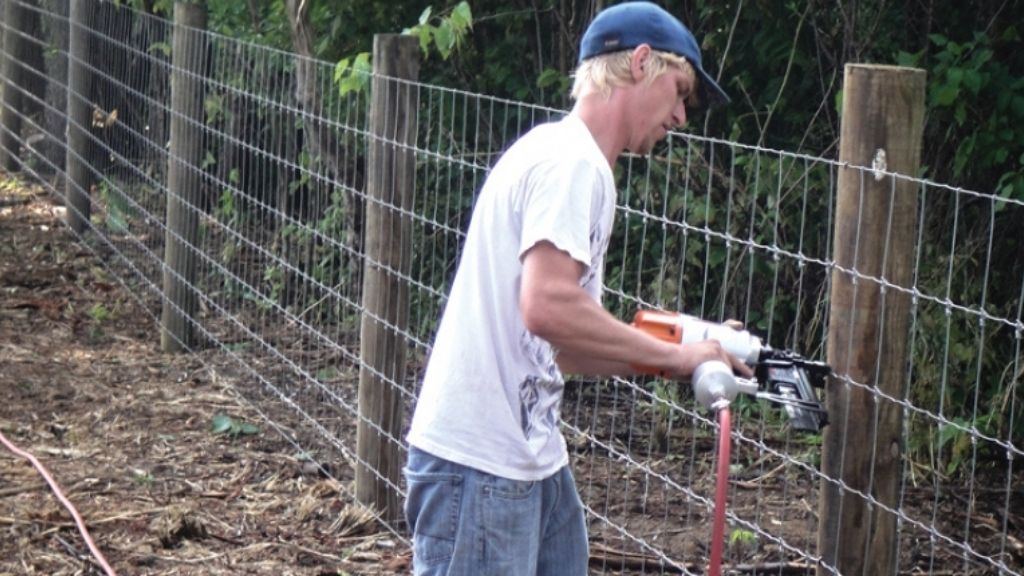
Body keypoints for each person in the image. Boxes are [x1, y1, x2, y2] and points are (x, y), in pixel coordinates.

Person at [404, 2, 751, 574]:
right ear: (641, 63)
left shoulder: (570, 157)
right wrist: (679, 354)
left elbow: (564, 344)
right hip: (480, 467)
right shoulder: (573, 164)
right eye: (680, 90)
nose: (682, 115)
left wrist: (691, 349)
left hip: (528, 458)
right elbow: (547, 307)